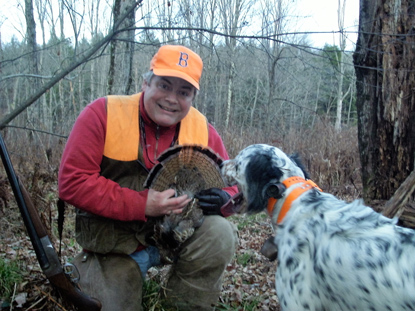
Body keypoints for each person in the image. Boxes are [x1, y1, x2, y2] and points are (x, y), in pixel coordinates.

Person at [58, 45, 238, 311]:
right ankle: (97, 271)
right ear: (146, 81)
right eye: (164, 85)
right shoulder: (102, 114)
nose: (172, 99)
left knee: (220, 233)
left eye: (184, 92)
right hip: (114, 246)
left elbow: (234, 185)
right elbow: (71, 182)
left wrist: (225, 197)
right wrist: (141, 204)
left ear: (193, 97)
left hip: (172, 238)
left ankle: (183, 303)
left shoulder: (202, 129)